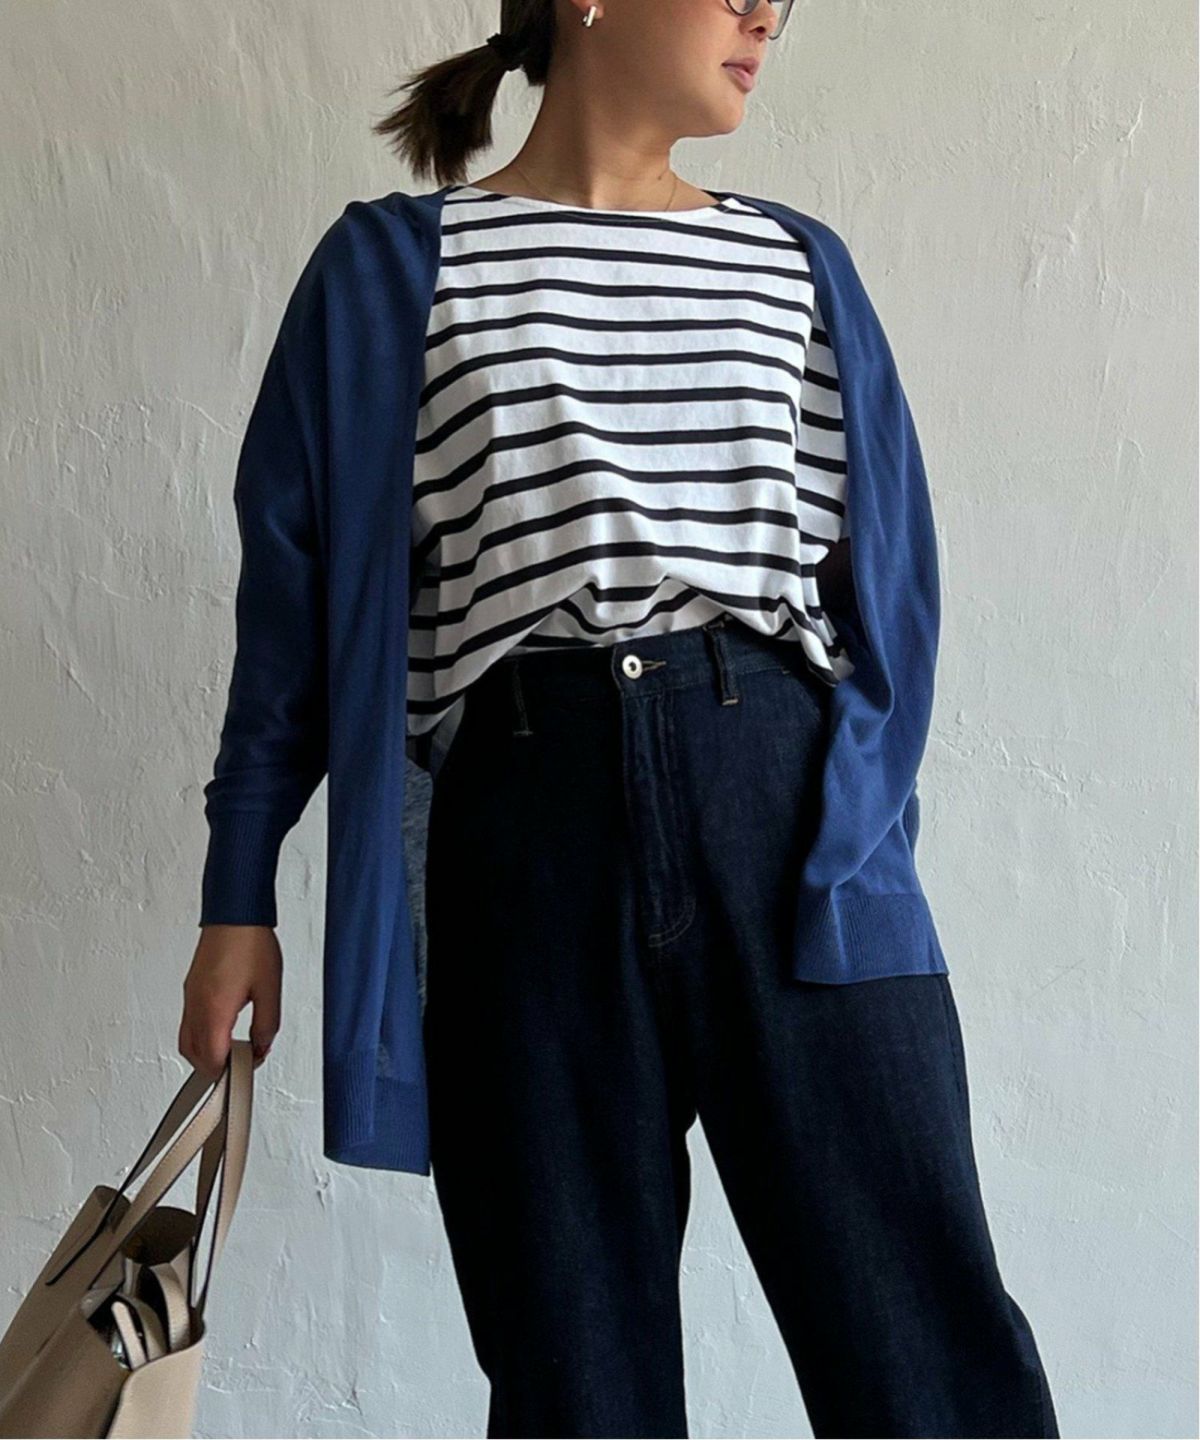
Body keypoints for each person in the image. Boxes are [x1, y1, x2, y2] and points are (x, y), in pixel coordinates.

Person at [182, 2, 1060, 1435]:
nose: (766, 13)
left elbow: (889, 597)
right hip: (528, 838)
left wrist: (850, 836)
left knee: (926, 1354)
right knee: (574, 1382)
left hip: (790, 823)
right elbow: (291, 614)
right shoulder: (393, 269)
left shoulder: (795, 265)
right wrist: (239, 897)